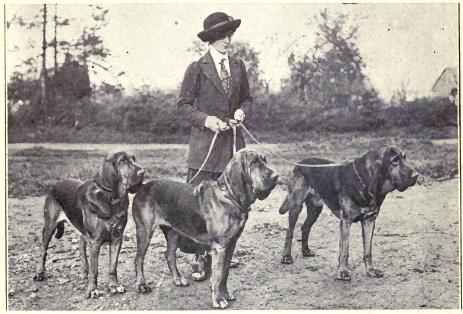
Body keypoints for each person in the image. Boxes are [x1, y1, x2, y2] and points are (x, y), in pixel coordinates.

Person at [177, 11, 252, 280]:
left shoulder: (239, 66)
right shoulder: (197, 68)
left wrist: (242, 111)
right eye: (221, 35)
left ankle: (223, 254)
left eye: (229, 34)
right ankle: (198, 258)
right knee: (198, 206)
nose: (227, 40)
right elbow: (183, 107)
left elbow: (247, 99)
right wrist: (207, 120)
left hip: (233, 149)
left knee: (234, 203)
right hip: (204, 150)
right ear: (210, 39)